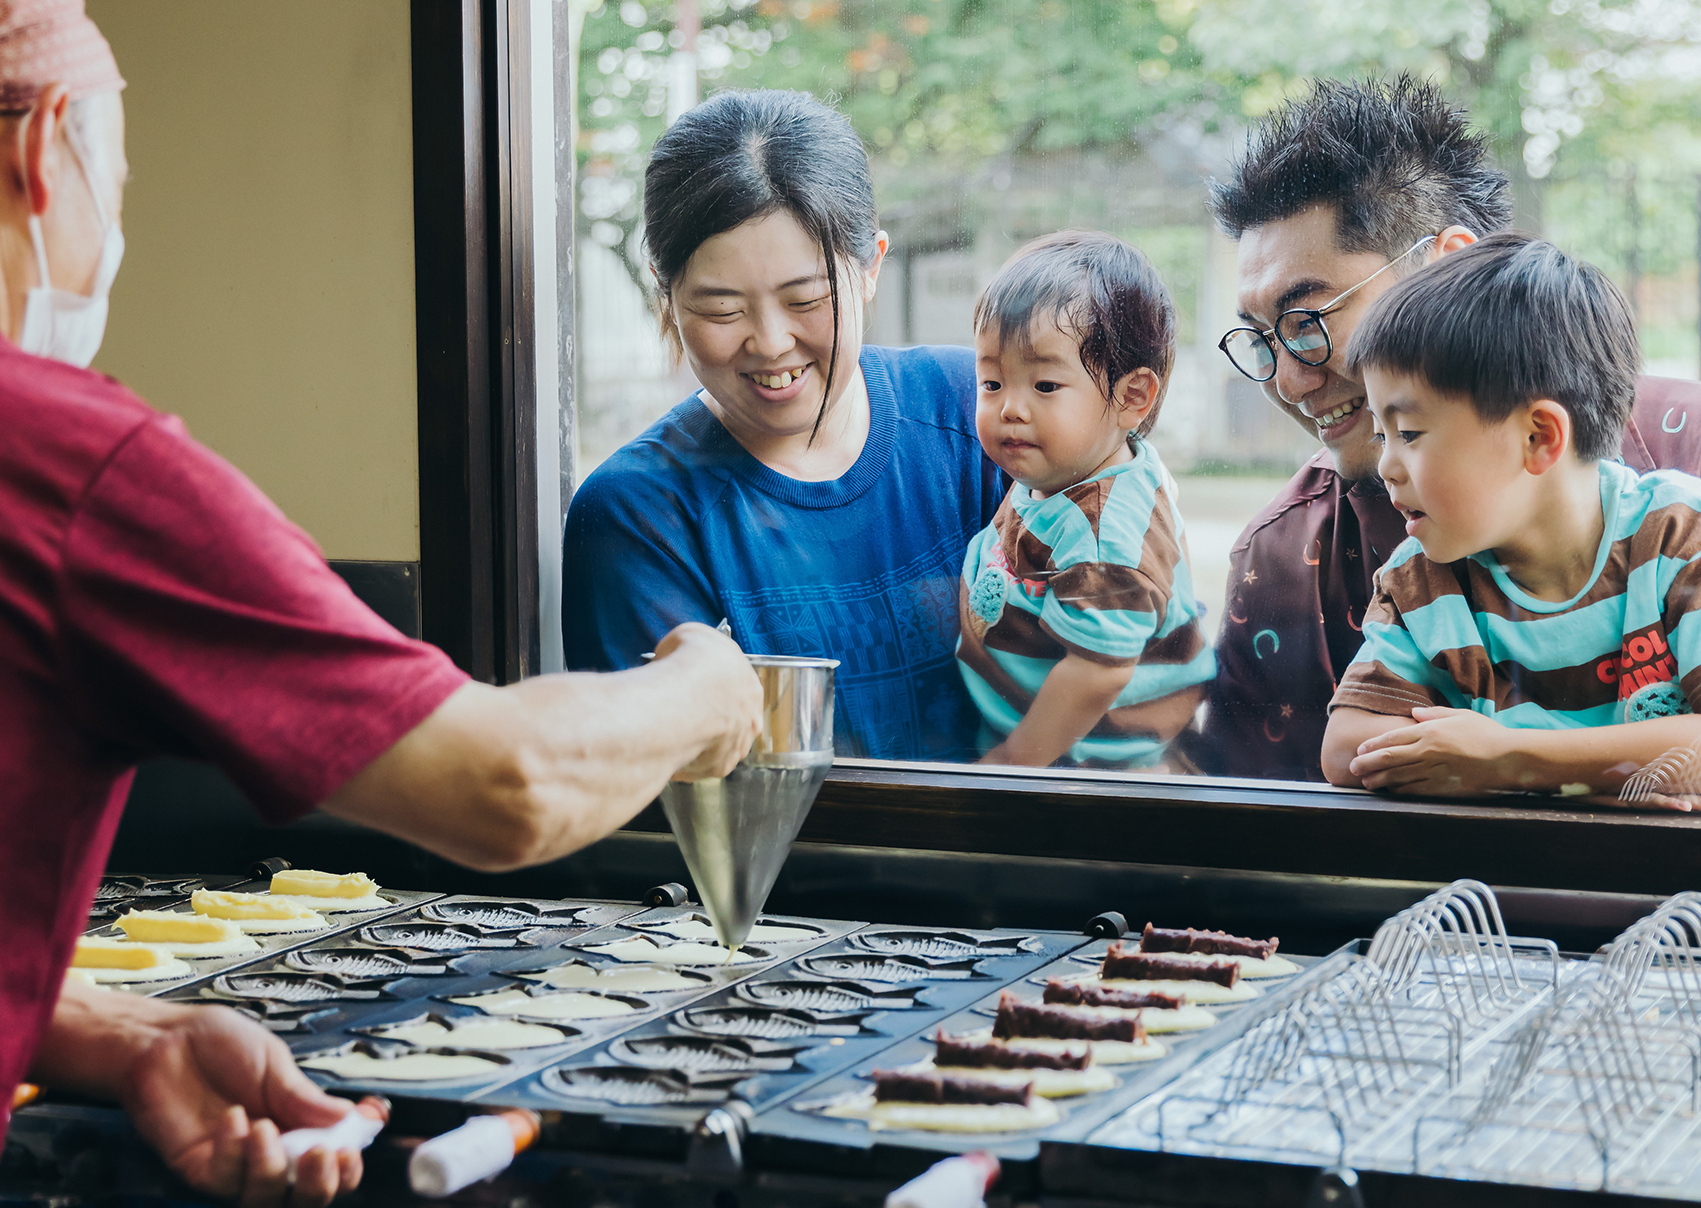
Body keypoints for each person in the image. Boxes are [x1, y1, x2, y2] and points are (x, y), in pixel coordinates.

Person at [0, 0, 762, 1208]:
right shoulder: (65, 461)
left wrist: (111, 1033)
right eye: (117, 181)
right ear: (47, 152)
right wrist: (707, 691)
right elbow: (504, 785)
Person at [1196, 77, 1701, 782]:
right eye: (1260, 338)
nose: (1286, 380)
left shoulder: (1683, 478)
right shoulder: (1288, 559)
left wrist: (1511, 755)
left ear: (1446, 263)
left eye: (1307, 322)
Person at [563, 91, 1001, 761]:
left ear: (871, 268)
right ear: (666, 294)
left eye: (806, 299)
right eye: (720, 308)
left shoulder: (980, 414)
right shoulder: (638, 513)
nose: (769, 343)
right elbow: (666, 787)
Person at [1322, 236, 1701, 800]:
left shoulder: (1676, 535)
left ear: (1538, 437)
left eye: (1409, 434)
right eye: (1382, 436)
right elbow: (1347, 745)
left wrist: (1505, 756)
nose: (1386, 467)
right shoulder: (1424, 579)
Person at [957, 233, 1212, 768]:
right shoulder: (1071, 469)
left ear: (1132, 397)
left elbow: (1100, 668)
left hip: (1092, 771)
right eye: (991, 381)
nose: (1010, 408)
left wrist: (1016, 761)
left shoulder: (1103, 539)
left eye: (1045, 385)